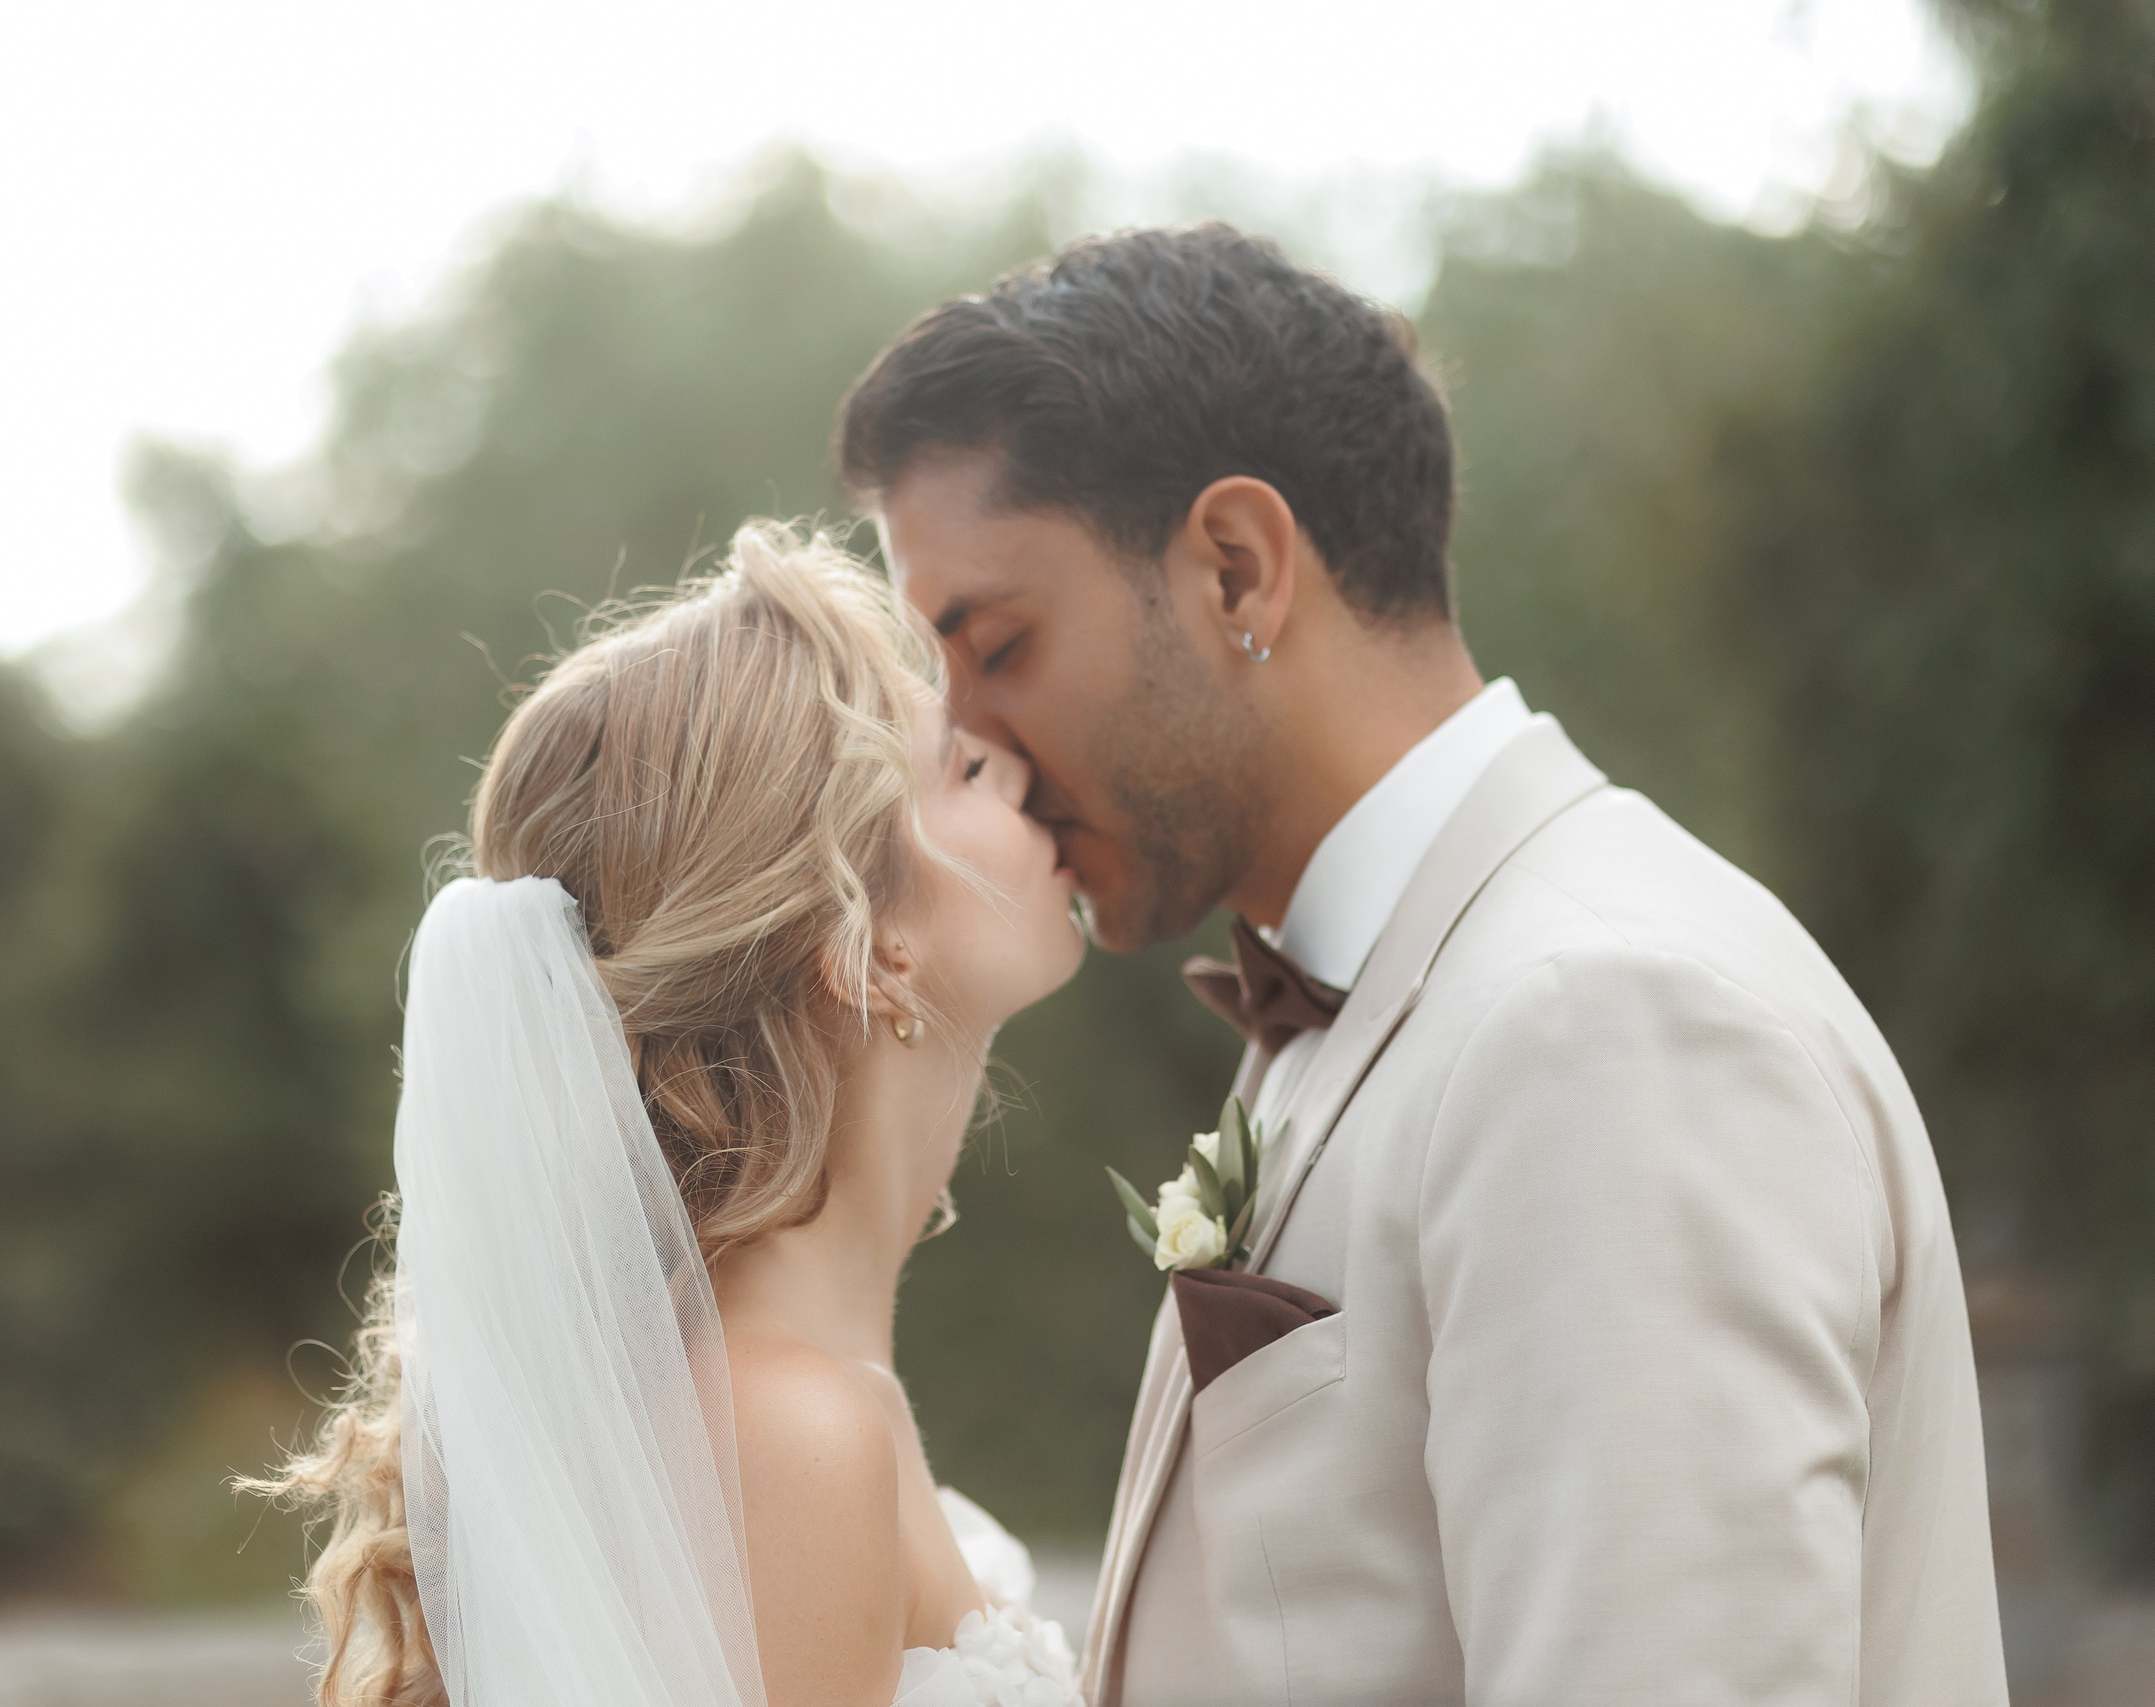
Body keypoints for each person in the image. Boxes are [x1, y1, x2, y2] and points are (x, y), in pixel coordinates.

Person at [836, 224, 2008, 1707]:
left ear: (1238, 569)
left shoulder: (1607, 1021)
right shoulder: (1394, 993)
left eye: (996, 642)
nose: (969, 739)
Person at [254, 525, 1089, 1706]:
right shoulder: (784, 1432)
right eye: (960, 771)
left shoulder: (805, 1401)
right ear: (866, 948)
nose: (1021, 770)